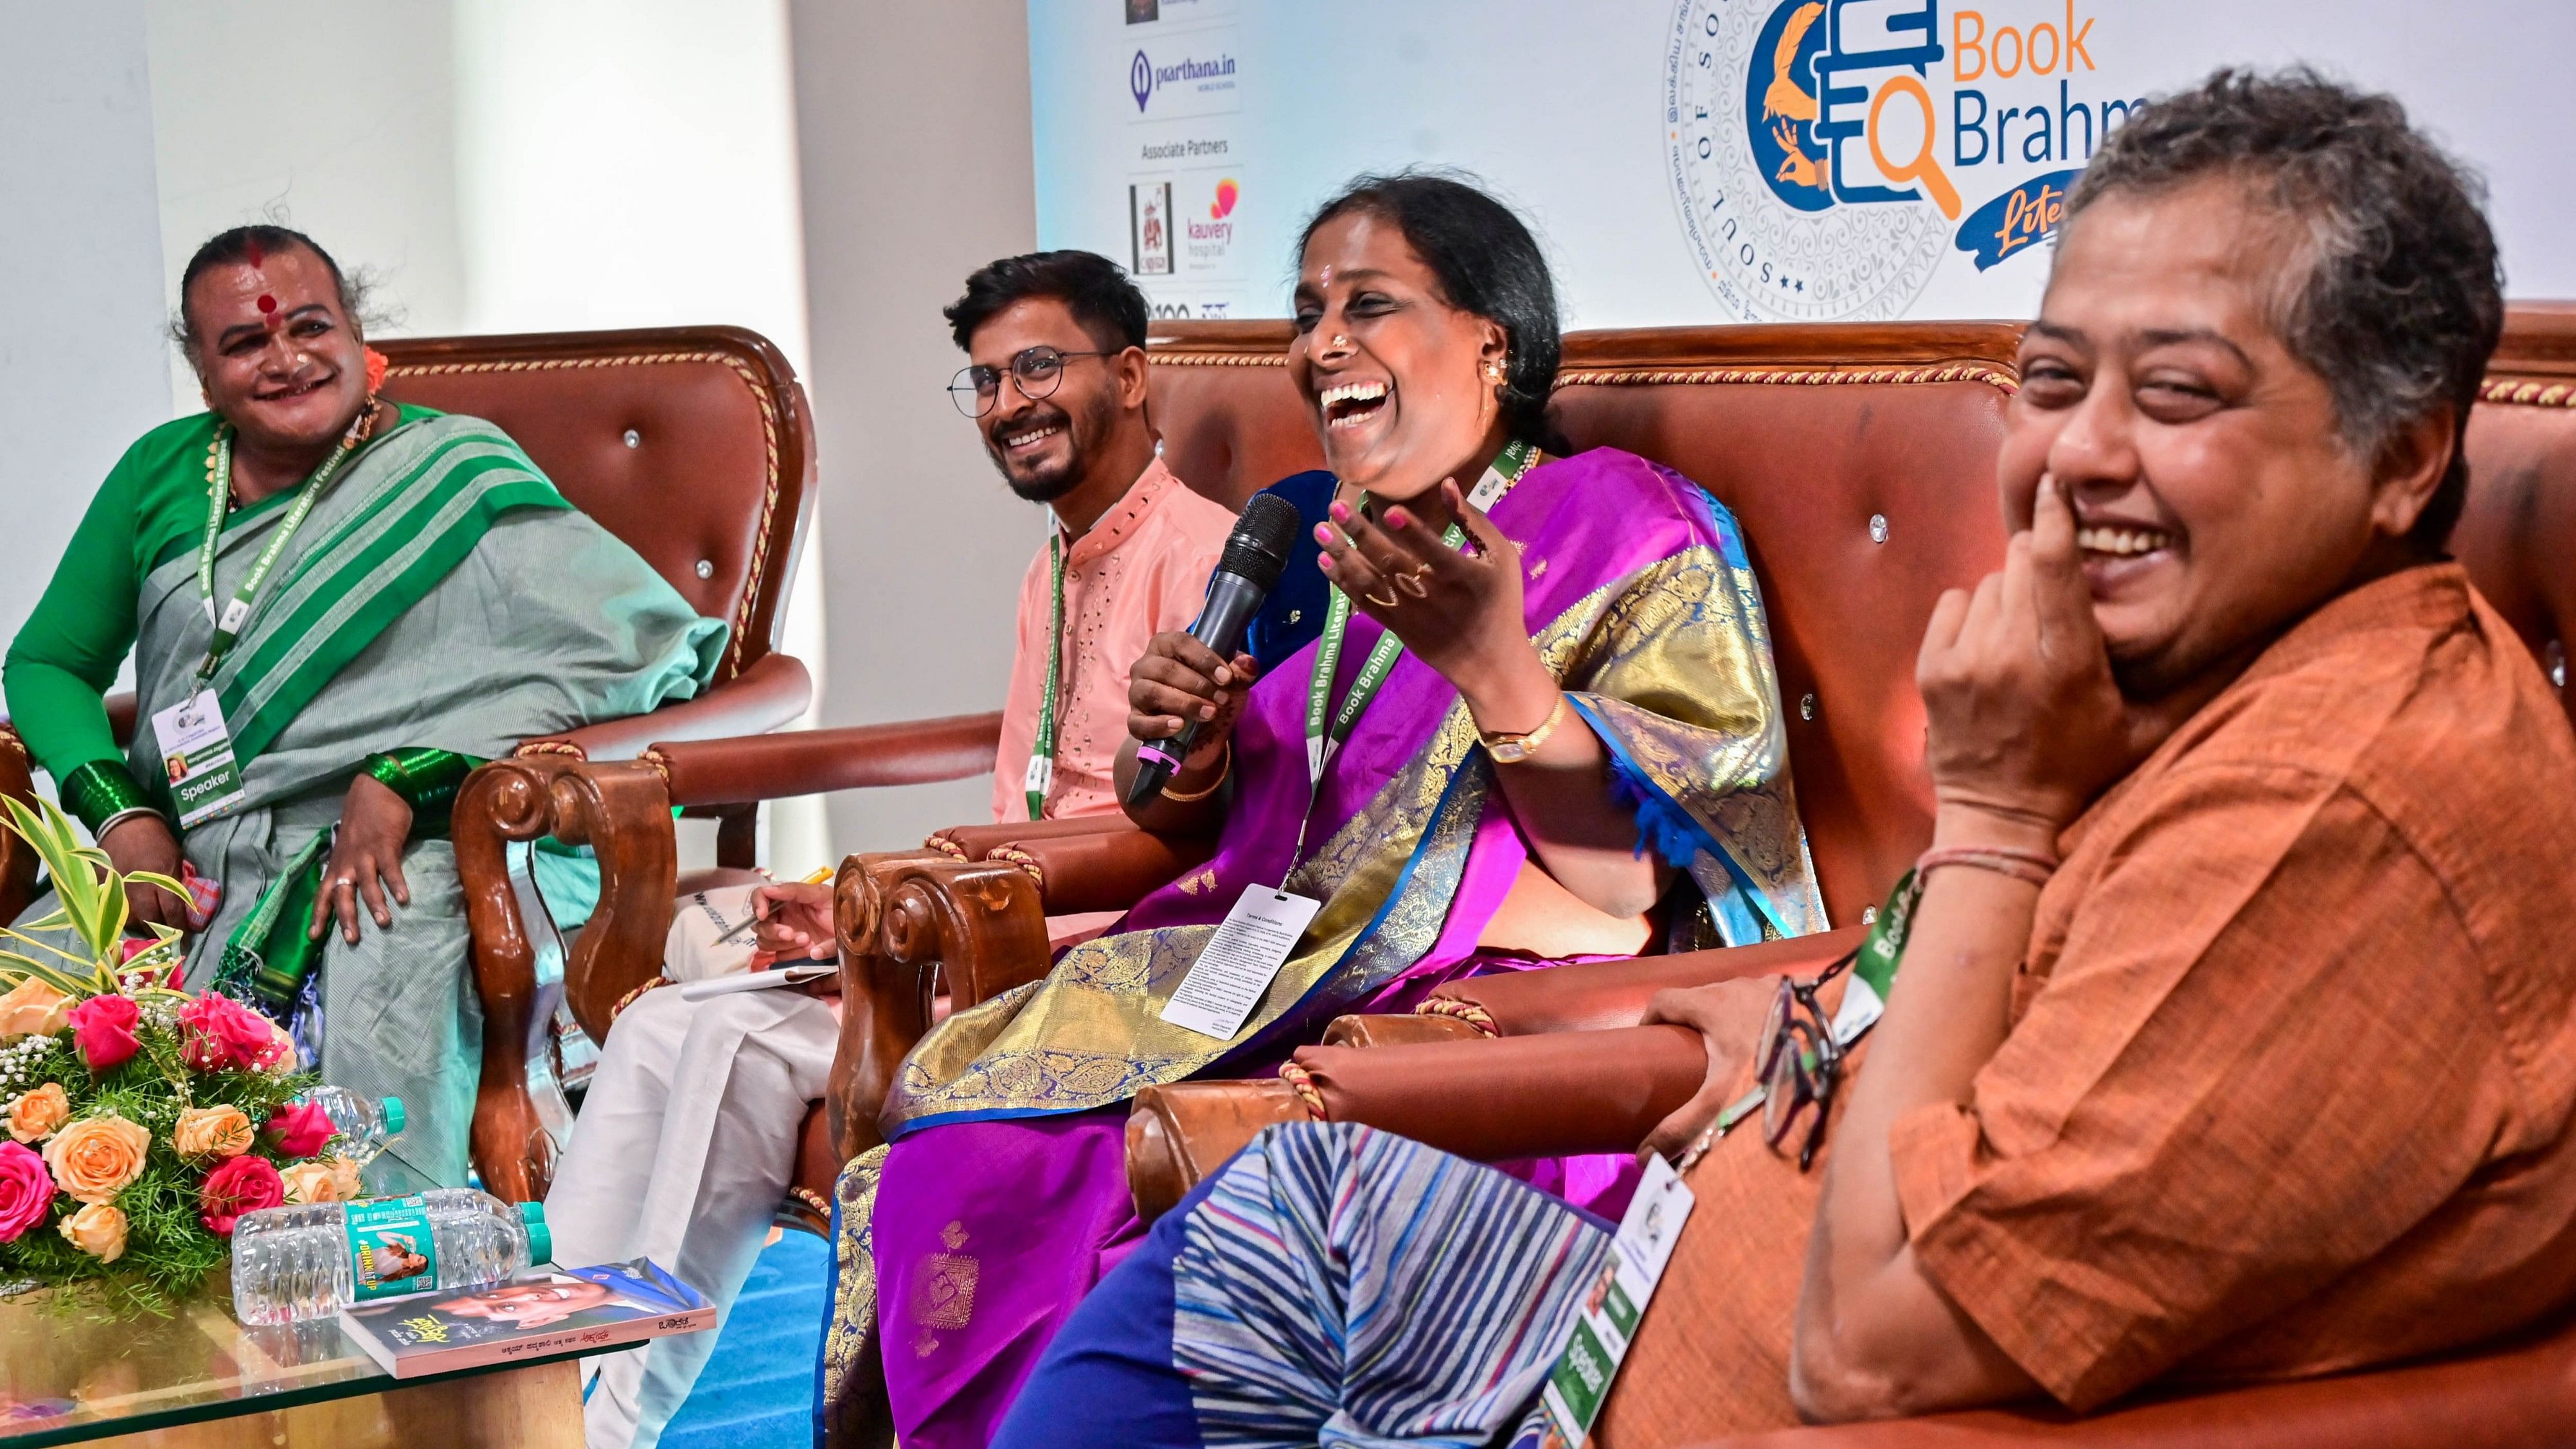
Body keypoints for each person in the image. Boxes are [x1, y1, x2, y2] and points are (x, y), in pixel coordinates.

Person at [995, 70, 2576, 1445]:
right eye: (2049, 381)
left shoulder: (2334, 803)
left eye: (2177, 394)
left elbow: (1871, 1351)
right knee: (1275, 1216)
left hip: (1668, 1395)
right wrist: (1819, 1020)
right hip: (1630, 1296)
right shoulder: (2219, 686)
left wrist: (1999, 811)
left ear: (2405, 452)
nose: (2082, 452)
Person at [815, 173, 1827, 1448]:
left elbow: (1652, 885)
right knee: (961, 1156)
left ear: (1490, 341)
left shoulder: (1631, 524)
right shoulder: (1335, 541)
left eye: (1369, 305)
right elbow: (1265, 828)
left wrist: (1497, 671)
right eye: (1306, 312)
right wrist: (1190, 747)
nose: (1319, 344)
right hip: (1268, 974)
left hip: (1484, 1033)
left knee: (1137, 1202)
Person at [544, 250, 1237, 1449]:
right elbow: (1027, 792)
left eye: (1036, 367)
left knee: (734, 1043)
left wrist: (923, 900)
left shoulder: (1201, 560)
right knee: (665, 1021)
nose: (1008, 404)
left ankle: (611, 1426)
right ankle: (553, 1375)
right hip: (984, 929)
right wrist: (865, 906)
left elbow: (1187, 831)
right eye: (982, 383)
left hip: (1100, 965)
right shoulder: (1057, 566)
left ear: (1128, 376)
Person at [2, 225, 724, 1194]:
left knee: (390, 961)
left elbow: (627, 661)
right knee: (36, 997)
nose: (288, 359)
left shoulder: (453, 470)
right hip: (184, 850)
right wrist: (124, 822)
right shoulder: (162, 473)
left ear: (360, 337)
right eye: (246, 344)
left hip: (412, 834)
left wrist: (408, 776)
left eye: (311, 327)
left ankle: (394, 1283)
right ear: (203, 374)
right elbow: (46, 664)